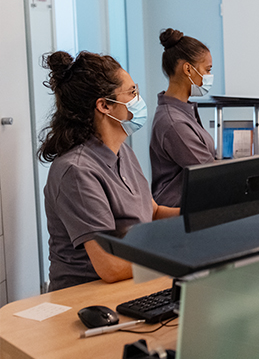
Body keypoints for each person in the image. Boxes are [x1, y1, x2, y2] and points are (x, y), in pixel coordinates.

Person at [39, 51, 179, 292]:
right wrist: (181, 251)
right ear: (104, 106)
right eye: (132, 92)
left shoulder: (122, 152)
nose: (139, 99)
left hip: (131, 283)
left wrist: (205, 215)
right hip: (86, 297)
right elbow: (111, 267)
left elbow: (152, 212)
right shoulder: (76, 171)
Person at [149, 29, 216, 207]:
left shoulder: (183, 111)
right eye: (207, 70)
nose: (209, 77)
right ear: (188, 69)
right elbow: (211, 173)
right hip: (176, 214)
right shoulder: (173, 122)